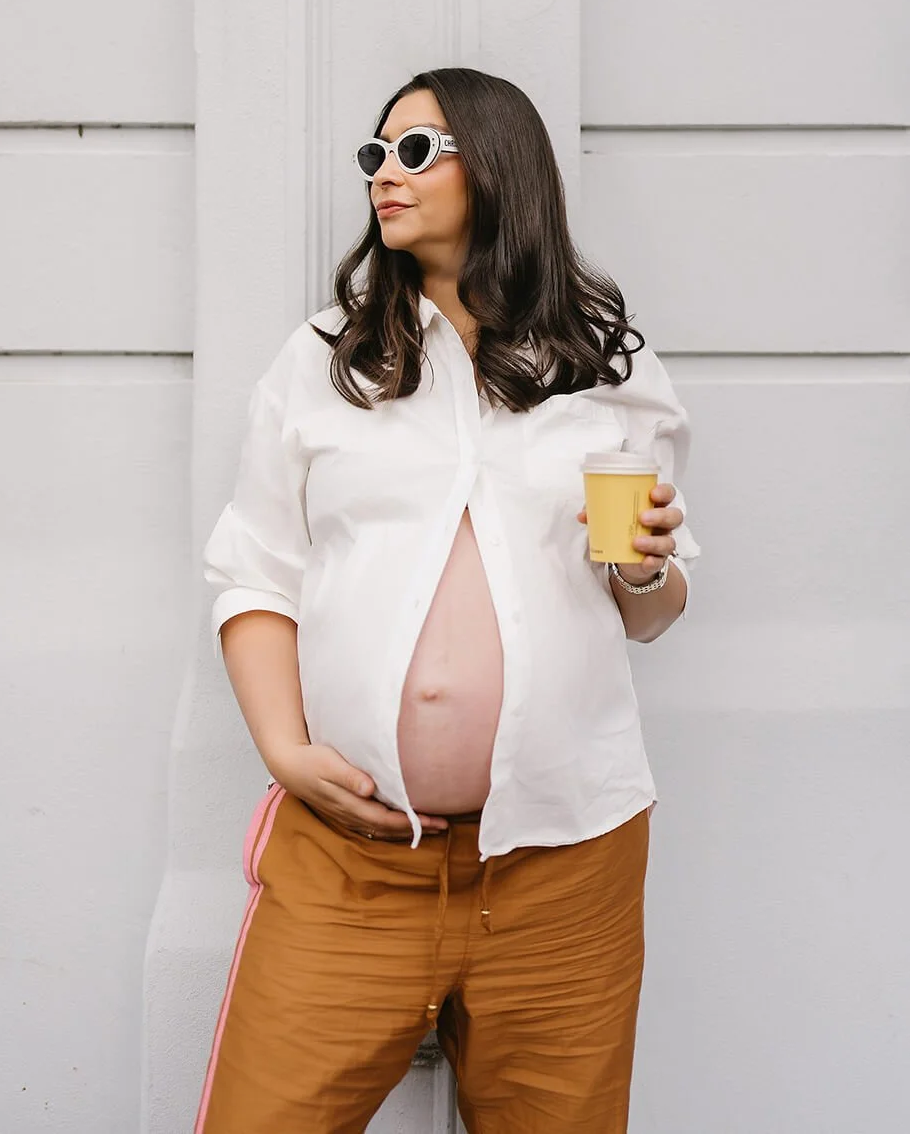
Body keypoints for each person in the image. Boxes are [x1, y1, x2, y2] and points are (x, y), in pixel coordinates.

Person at [194, 67, 700, 1134]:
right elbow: (253, 571)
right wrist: (285, 753)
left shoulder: (604, 360)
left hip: (564, 866)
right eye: (374, 155)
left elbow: (648, 606)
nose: (385, 174)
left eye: (416, 151)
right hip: (351, 863)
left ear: (498, 162)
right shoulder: (327, 360)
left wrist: (647, 565)